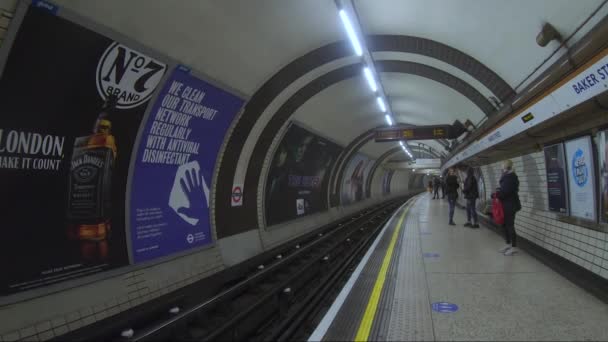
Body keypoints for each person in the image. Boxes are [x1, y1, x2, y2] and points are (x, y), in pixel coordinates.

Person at [497, 160, 521, 256]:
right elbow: (504, 190)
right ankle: (508, 244)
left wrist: (496, 194)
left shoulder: (510, 178)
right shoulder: (507, 177)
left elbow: (504, 193)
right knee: (504, 225)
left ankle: (514, 247)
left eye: (502, 167)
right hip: (506, 205)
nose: (501, 169)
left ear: (506, 167)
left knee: (510, 226)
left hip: (510, 206)